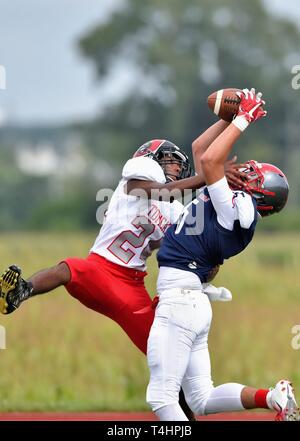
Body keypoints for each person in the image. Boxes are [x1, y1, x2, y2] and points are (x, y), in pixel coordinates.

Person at [0, 136, 244, 418]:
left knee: (170, 366)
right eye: (171, 161)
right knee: (69, 268)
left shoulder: (176, 211)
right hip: (102, 268)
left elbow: (188, 242)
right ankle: (21, 291)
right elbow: (163, 190)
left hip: (132, 288)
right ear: (150, 157)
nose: (176, 169)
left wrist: (215, 251)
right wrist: (208, 177)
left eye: (180, 166)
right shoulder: (140, 177)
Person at [146, 88, 299, 421]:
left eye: (253, 176)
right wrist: (227, 118)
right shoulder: (236, 205)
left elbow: (211, 162)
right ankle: (273, 397)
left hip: (180, 300)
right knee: (200, 398)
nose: (246, 172)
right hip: (192, 301)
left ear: (260, 194)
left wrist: (244, 117)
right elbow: (203, 152)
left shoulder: (237, 209)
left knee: (161, 397)